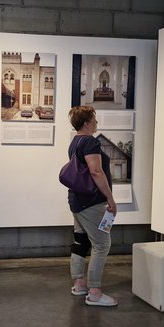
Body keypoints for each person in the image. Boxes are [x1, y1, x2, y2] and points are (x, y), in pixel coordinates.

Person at [67, 106, 118, 307]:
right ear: (87, 123)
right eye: (95, 120)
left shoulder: (75, 141)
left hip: (77, 201)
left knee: (81, 241)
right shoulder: (89, 141)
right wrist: (110, 199)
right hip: (91, 202)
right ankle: (95, 292)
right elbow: (96, 172)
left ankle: (79, 284)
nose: (97, 123)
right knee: (101, 244)